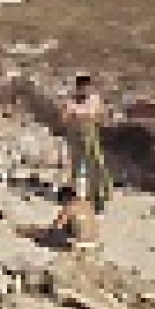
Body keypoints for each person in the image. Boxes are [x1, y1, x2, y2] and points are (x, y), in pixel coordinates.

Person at [60, 73, 111, 212]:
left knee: (96, 165)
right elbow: (64, 118)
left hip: (90, 133)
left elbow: (101, 115)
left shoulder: (95, 99)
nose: (85, 89)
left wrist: (92, 117)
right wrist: (76, 116)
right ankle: (75, 197)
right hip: (76, 134)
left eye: (87, 86)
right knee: (76, 167)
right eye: (82, 86)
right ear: (78, 87)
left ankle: (98, 197)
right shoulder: (71, 101)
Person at [19, 186, 100, 251]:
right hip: (93, 239)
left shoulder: (70, 206)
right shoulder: (86, 203)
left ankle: (24, 233)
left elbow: (58, 225)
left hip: (79, 242)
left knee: (43, 235)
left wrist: (41, 231)